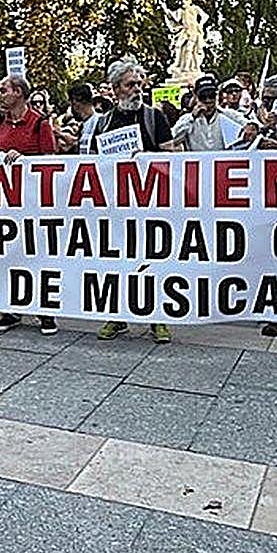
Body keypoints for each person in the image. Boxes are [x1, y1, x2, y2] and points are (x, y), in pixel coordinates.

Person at [90, 58, 177, 344]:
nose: (137, 89)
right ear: (115, 90)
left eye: (139, 84)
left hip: (151, 203)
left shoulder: (155, 118)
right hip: (117, 206)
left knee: (154, 260)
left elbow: (171, 157)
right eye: (130, 85)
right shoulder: (103, 123)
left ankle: (158, 318)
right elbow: (94, 164)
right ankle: (117, 315)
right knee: (118, 261)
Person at [0, 75, 60, 336]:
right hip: (7, 204)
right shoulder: (0, 124)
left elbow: (50, 162)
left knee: (37, 255)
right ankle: (11, 307)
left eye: (3, 90)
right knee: (9, 255)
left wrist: (26, 160)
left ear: (18, 92)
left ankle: (46, 310)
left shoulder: (40, 124)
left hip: (34, 204)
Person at [172, 74, 255, 151]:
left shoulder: (228, 115)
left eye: (211, 96)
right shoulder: (187, 119)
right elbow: (173, 140)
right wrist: (192, 117)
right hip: (197, 164)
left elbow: (251, 126)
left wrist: (252, 127)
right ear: (196, 97)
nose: (208, 100)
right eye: (203, 97)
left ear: (216, 96)